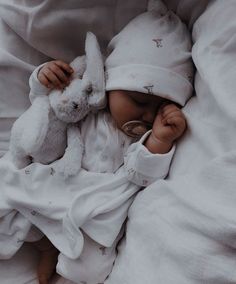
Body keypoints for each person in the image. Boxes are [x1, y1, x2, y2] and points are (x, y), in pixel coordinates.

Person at [21, 3, 193, 283]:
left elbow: (143, 176)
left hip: (98, 209)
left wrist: (160, 139)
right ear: (109, 83)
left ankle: (61, 256)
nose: (148, 115)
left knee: (90, 268)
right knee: (15, 202)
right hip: (58, 182)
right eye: (139, 101)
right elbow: (48, 108)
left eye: (160, 108)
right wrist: (43, 78)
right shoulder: (88, 107)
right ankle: (46, 246)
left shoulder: (144, 140)